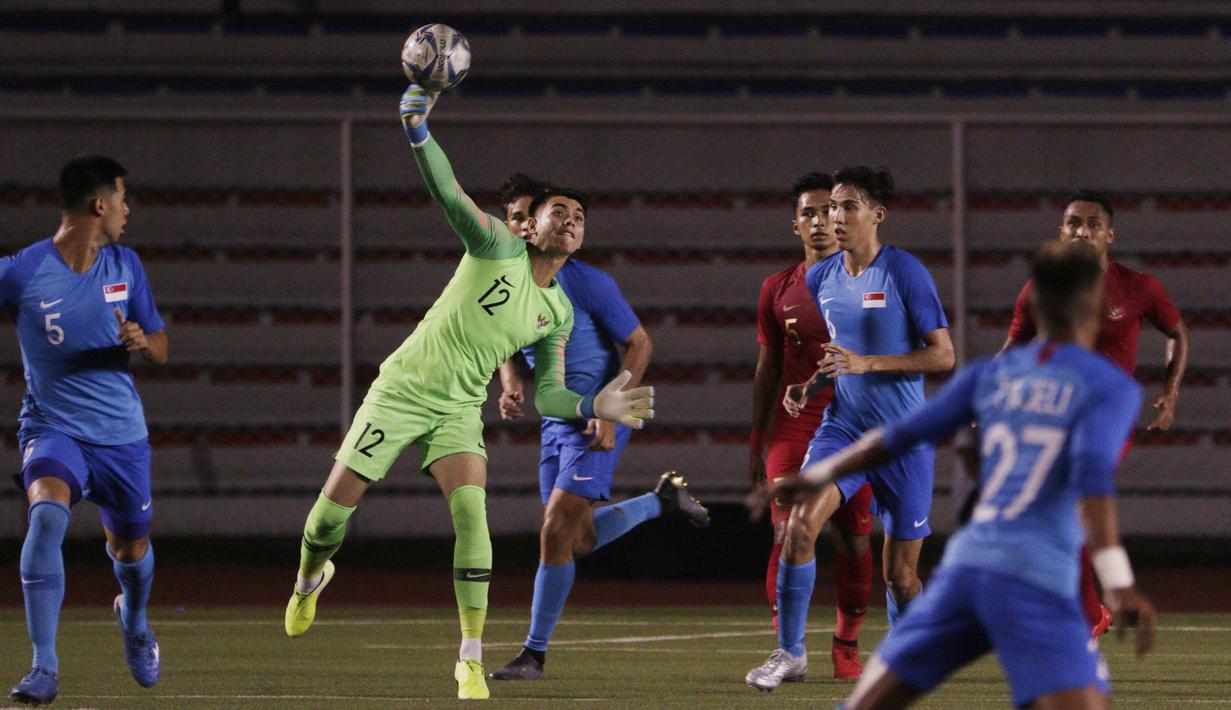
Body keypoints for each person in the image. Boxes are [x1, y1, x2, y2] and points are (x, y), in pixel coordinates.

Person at [282, 85, 655, 701]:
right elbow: (448, 190)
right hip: (400, 392)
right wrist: (417, 129)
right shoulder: (496, 244)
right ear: (531, 224)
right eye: (558, 210)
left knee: (472, 517)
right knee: (327, 520)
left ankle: (470, 658)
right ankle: (308, 579)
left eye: (579, 216)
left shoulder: (558, 312)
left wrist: (595, 404)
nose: (570, 219)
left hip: (458, 411)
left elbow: (548, 397)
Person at [772, 242, 1157, 710]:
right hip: (1035, 576)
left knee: (868, 705)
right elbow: (1091, 478)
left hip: (968, 569)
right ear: (1096, 301)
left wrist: (822, 473)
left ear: (1035, 303)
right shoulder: (1108, 386)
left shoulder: (991, 376)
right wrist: (1117, 581)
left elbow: (899, 435)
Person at [488, 175, 709, 682]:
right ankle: (660, 502)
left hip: (599, 414)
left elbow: (641, 343)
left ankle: (534, 654)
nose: (524, 226)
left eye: (577, 218)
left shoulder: (587, 282)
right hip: (556, 419)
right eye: (517, 217)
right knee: (577, 540)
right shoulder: (510, 282)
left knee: (555, 530)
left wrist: (609, 410)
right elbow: (505, 341)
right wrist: (510, 384)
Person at [746, 166, 954, 692]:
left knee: (900, 577)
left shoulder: (904, 272)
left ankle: (908, 660)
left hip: (901, 437)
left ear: (877, 215)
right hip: (843, 428)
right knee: (799, 526)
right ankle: (791, 654)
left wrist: (870, 364)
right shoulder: (822, 277)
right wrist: (811, 384)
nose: (836, 216)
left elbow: (943, 355)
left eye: (848, 206)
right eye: (833, 206)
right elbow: (842, 354)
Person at [5, 155, 168, 705]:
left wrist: (143, 342)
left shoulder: (126, 265)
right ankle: (43, 667)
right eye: (122, 198)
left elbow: (162, 346)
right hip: (53, 427)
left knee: (130, 550)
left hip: (120, 435)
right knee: (47, 514)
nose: (128, 209)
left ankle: (134, 619)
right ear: (100, 205)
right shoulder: (25, 271)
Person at [1000, 189, 1188, 637]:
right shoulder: (1040, 290)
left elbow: (1177, 334)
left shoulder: (1139, 287)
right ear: (1061, 231)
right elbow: (1013, 348)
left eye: (1092, 224)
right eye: (1073, 224)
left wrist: (1171, 394)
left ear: (1110, 235)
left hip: (1109, 419)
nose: (1081, 232)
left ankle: (1087, 615)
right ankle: (1088, 610)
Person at [749, 172, 874, 679]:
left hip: (853, 424)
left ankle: (846, 641)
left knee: (854, 541)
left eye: (829, 211)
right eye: (809, 213)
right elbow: (768, 369)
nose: (820, 221)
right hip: (793, 425)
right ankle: (788, 649)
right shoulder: (777, 289)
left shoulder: (872, 280)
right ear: (795, 225)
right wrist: (756, 439)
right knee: (786, 530)